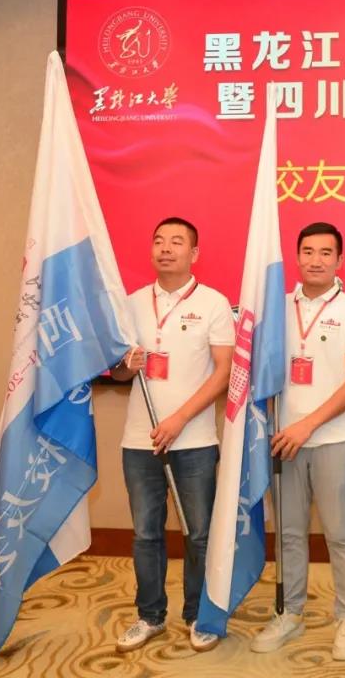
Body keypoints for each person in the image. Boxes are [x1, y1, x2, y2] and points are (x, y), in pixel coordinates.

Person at [110, 217, 234, 653]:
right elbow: (118, 374)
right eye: (159, 241)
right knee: (146, 533)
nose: (166, 248)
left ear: (193, 253)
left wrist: (180, 418)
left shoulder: (214, 303)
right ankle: (150, 615)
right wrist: (126, 365)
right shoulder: (130, 303)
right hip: (139, 440)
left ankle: (198, 614)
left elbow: (224, 372)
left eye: (176, 242)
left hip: (193, 441)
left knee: (198, 533)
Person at [249, 222, 345, 661]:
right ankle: (291, 613)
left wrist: (308, 425)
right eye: (307, 252)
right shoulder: (277, 309)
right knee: (289, 534)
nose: (315, 260)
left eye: (325, 253)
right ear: (296, 257)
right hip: (283, 440)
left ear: (340, 261)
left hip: (334, 441)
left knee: (341, 535)